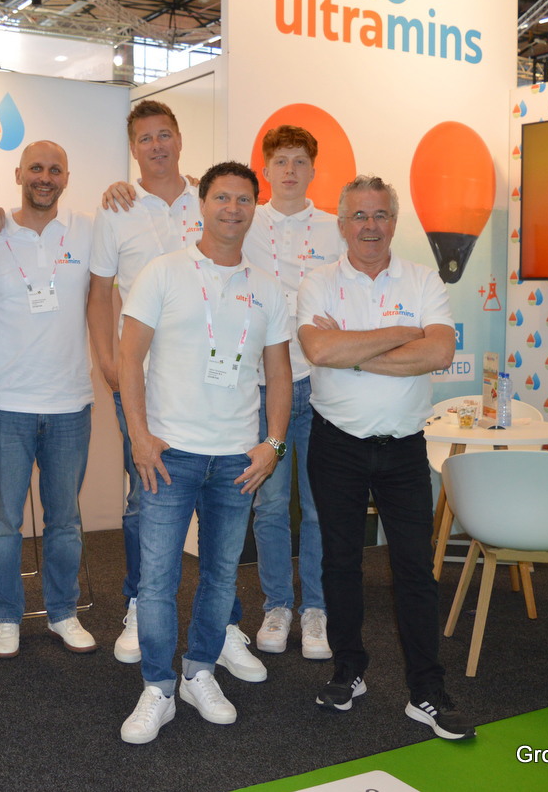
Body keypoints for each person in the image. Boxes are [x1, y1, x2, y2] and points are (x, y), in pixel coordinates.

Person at [116, 161, 292, 744]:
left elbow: (279, 373)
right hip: (169, 454)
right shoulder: (163, 272)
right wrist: (139, 435)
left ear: (254, 209)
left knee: (219, 576)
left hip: (237, 461)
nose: (232, 209)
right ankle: (157, 687)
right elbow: (128, 358)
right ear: (202, 204)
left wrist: (273, 444)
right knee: (157, 580)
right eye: (222, 198)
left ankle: (198, 672)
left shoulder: (267, 288)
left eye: (244, 200)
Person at [92, 100, 269, 678]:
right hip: (143, 381)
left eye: (164, 135)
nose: (156, 146)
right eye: (145, 138)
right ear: (133, 148)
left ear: (179, 139)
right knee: (144, 498)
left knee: (222, 519)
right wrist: (109, 364)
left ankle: (224, 626)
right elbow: (99, 293)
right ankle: (139, 606)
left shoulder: (211, 199)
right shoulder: (117, 208)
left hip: (214, 389)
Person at [296, 174, 475, 740]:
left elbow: (439, 351)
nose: (369, 226)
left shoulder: (424, 279)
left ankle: (426, 689)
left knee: (415, 569)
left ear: (394, 222)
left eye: (380, 215)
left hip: (402, 449)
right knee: (340, 563)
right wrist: (401, 333)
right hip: (336, 445)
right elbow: (318, 348)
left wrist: (352, 349)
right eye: (359, 216)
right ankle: (348, 669)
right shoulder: (319, 282)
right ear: (342, 224)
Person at [0, 141, 98, 657]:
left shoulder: (88, 229)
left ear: (66, 177)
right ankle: (6, 616)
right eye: (36, 169)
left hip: (71, 402)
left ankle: (63, 613)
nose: (44, 177)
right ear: (18, 173)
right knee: (4, 522)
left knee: (65, 520)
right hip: (5, 400)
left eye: (54, 169)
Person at [230, 126, 343, 661]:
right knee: (271, 505)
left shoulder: (335, 228)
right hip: (261, 387)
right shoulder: (245, 220)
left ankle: (316, 608)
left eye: (300, 161)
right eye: (281, 161)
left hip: (321, 387)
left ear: (313, 170)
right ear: (266, 169)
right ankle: (277, 605)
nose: (290, 170)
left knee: (318, 507)